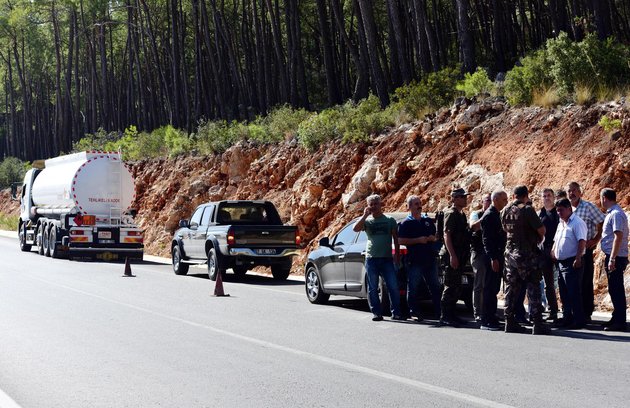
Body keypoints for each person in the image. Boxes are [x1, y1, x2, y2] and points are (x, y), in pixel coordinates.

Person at [501, 185, 548, 335]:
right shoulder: (527, 209)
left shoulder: (504, 210)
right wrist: (537, 239)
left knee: (511, 287)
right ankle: (537, 322)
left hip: (510, 253)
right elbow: (541, 230)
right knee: (533, 286)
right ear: (525, 196)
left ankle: (509, 321)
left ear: (513, 196)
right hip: (526, 254)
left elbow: (505, 229)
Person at [353, 194, 404, 321]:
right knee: (373, 287)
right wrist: (364, 215)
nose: (374, 206)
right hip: (371, 258)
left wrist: (397, 255)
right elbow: (355, 229)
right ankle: (377, 313)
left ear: (381, 205)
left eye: (376, 204)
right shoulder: (367, 221)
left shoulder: (389, 220)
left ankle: (396, 313)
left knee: (393, 286)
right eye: (371, 204)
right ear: (368, 206)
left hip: (387, 258)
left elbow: (396, 239)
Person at [567, 181, 605, 323]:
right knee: (572, 282)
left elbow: (602, 221)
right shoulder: (567, 208)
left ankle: (586, 313)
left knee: (585, 282)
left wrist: (595, 240)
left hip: (584, 251)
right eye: (570, 191)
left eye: (575, 190)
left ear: (580, 192)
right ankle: (574, 312)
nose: (572, 193)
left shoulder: (588, 207)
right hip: (570, 251)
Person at [398, 195, 441, 320]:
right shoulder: (405, 223)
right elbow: (400, 240)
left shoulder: (427, 221)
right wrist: (418, 240)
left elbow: (436, 236)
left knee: (435, 286)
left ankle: (439, 312)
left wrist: (433, 238)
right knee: (413, 287)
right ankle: (414, 312)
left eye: (420, 203)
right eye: (416, 204)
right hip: (415, 260)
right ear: (410, 207)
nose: (419, 206)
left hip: (430, 259)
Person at [551, 198, 587, 329]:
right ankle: (567, 318)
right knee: (564, 292)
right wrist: (553, 251)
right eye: (557, 210)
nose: (559, 213)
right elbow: (556, 240)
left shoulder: (577, 223)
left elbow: (582, 242)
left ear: (569, 209)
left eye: (561, 210)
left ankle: (578, 320)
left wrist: (578, 258)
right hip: (560, 263)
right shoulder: (561, 223)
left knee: (573, 292)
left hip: (572, 262)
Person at [439, 188, 471, 327]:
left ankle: (452, 314)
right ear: (455, 198)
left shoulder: (461, 214)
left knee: (456, 287)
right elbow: (447, 235)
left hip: (460, 254)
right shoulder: (451, 214)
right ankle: (445, 316)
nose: (465, 199)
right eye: (462, 197)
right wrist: (452, 255)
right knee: (450, 286)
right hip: (451, 255)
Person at [599, 188, 628, 332]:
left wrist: (612, 258)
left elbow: (618, 236)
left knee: (616, 289)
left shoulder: (616, 214)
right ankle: (616, 317)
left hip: (615, 257)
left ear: (604, 198)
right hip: (613, 256)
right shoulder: (612, 213)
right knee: (613, 288)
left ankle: (620, 321)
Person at [479, 190, 508, 331]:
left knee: (495, 287)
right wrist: (493, 258)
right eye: (504, 199)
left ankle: (492, 315)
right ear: (495, 200)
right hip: (492, 257)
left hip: (498, 255)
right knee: (489, 288)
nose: (506, 202)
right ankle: (486, 319)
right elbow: (487, 240)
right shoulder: (489, 216)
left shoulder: (498, 214)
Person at [539, 188, 560, 322]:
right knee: (547, 283)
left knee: (562, 283)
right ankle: (552, 310)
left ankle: (568, 310)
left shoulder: (559, 212)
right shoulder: (539, 213)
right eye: (544, 196)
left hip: (558, 250)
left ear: (554, 197)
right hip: (543, 251)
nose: (547, 198)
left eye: (549, 195)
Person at [469, 193, 491, 322]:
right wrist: (486, 216)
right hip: (478, 252)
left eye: (491, 200)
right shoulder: (476, 214)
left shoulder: (495, 215)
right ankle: (478, 312)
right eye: (487, 200)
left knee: (490, 284)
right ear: (482, 202)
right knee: (479, 284)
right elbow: (473, 226)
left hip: (490, 253)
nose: (489, 203)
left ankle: (488, 311)